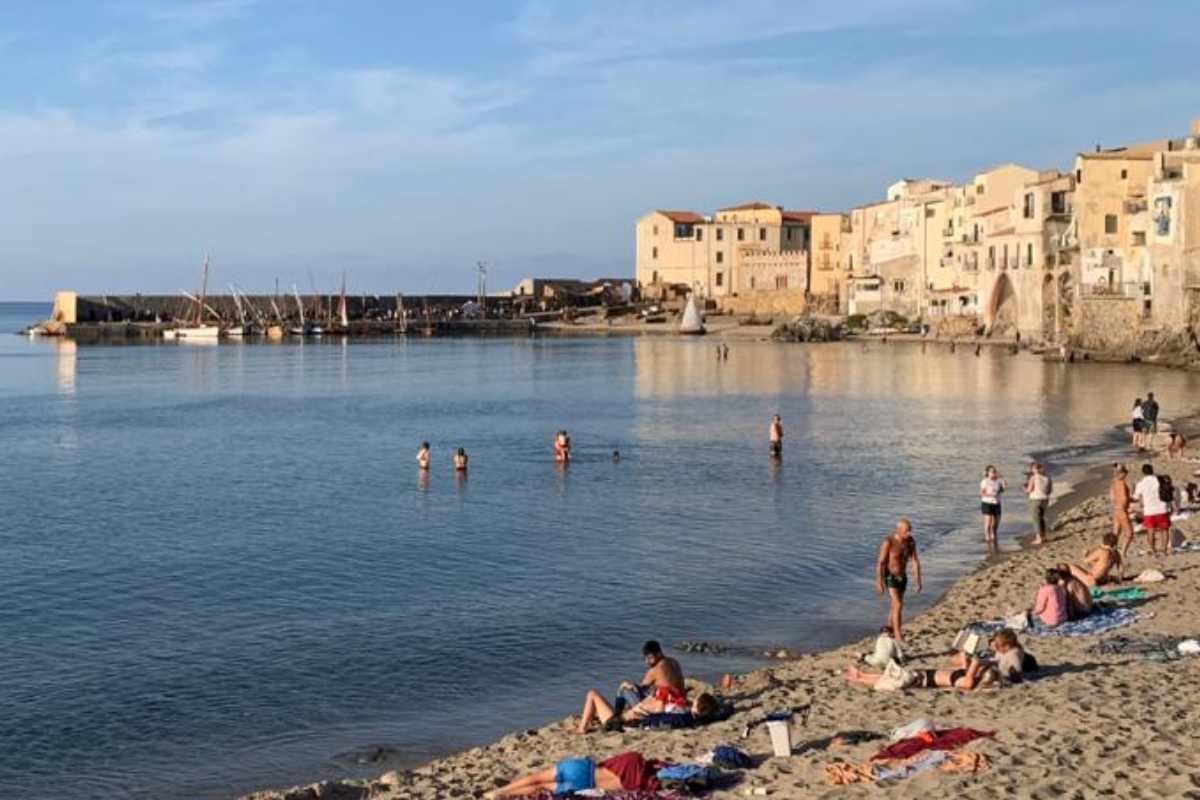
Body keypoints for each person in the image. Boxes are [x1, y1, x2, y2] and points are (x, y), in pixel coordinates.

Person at [485, 751, 664, 798]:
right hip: (582, 785)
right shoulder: (632, 786)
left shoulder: (634, 759)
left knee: (535, 778)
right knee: (540, 787)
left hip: (583, 769)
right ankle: (504, 796)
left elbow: (607, 762)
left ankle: (498, 792)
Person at [575, 688, 718, 734]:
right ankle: (591, 720)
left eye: (697, 699)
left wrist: (641, 709)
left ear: (698, 704)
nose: (695, 698)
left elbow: (657, 717)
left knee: (592, 694)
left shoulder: (680, 714)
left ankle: (581, 729)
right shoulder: (690, 717)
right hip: (629, 720)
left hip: (619, 723)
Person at [876, 518, 922, 644]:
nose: (909, 534)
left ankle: (888, 629)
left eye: (910, 531)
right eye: (906, 531)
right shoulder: (888, 542)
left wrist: (917, 580)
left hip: (903, 577)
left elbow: (914, 561)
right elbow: (880, 563)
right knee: (898, 604)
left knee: (895, 605)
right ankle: (898, 634)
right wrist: (879, 582)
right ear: (898, 530)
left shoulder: (910, 542)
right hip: (890, 576)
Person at [1132, 463, 1170, 556]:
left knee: (1150, 531)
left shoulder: (1141, 483)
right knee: (1164, 530)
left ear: (1143, 472)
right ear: (1152, 470)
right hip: (1162, 508)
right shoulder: (1160, 480)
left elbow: (1136, 497)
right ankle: (1164, 550)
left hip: (1149, 510)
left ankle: (1154, 550)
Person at [1024, 462, 1053, 546]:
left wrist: (1024, 488)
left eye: (1033, 468)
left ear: (1034, 469)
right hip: (1045, 499)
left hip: (1035, 499)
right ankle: (1043, 536)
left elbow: (1029, 490)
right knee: (1041, 518)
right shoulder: (1048, 478)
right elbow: (1049, 491)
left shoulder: (1033, 477)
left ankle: (1038, 538)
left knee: (1036, 519)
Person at [1111, 463, 1136, 561]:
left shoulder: (1114, 481)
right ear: (1121, 474)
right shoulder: (1121, 483)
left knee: (1116, 533)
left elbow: (1114, 496)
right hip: (1122, 509)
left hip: (1116, 509)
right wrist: (1131, 500)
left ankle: (1112, 551)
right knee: (1129, 533)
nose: (1126, 476)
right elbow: (1125, 498)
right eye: (1125, 474)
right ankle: (1123, 552)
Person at [980, 465, 1006, 550]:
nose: (994, 473)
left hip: (997, 503)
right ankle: (987, 536)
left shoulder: (998, 481)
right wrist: (990, 494)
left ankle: (994, 533)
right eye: (992, 471)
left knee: (997, 521)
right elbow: (981, 493)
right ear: (988, 473)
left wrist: (1003, 481)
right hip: (987, 503)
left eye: (995, 471)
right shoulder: (985, 481)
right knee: (988, 521)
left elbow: (1002, 490)